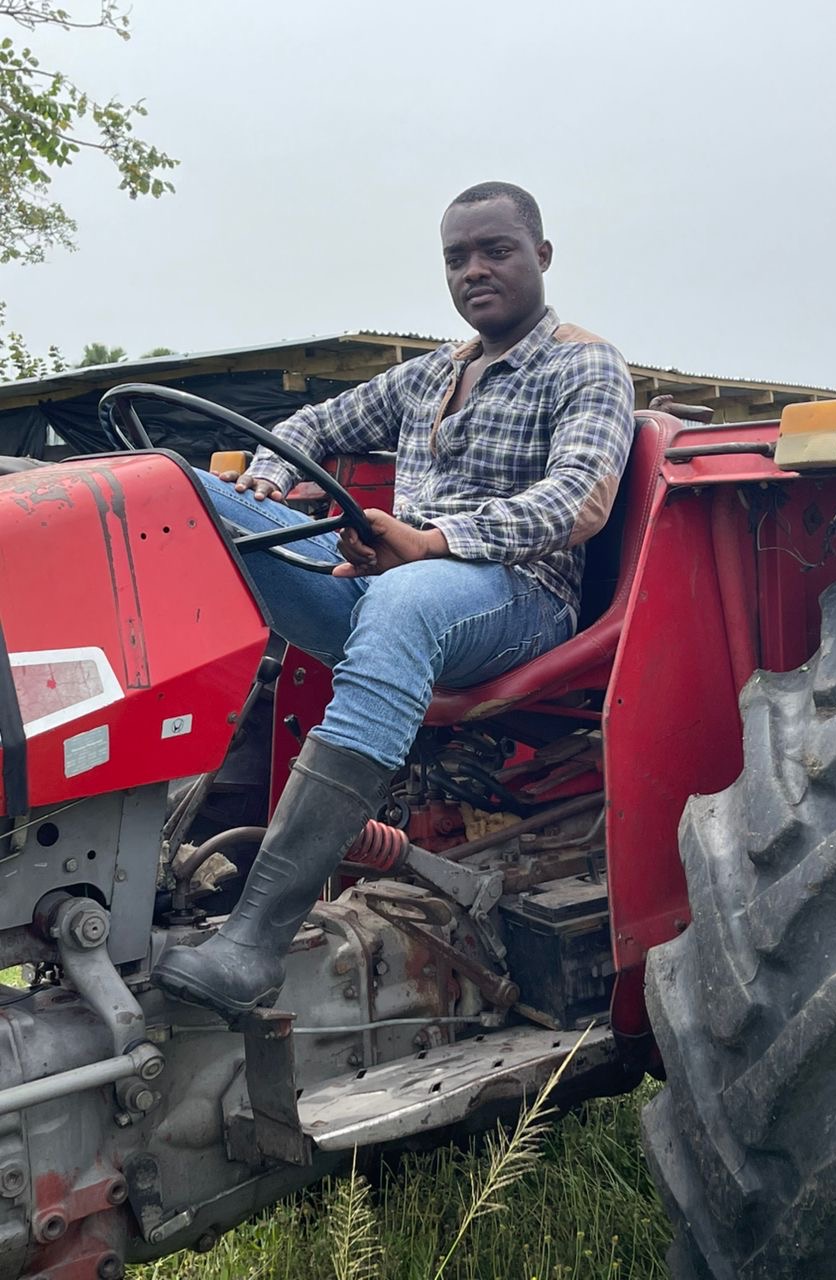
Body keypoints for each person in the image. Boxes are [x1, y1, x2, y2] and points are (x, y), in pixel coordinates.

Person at [153, 181, 636, 1019]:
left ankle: (254, 941)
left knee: (403, 600)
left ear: (542, 256)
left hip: (518, 600)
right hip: (394, 585)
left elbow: (579, 500)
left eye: (496, 251)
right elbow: (308, 427)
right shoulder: (429, 375)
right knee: (179, 492)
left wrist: (430, 542)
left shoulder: (584, 364)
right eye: (458, 258)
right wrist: (264, 480)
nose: (474, 270)